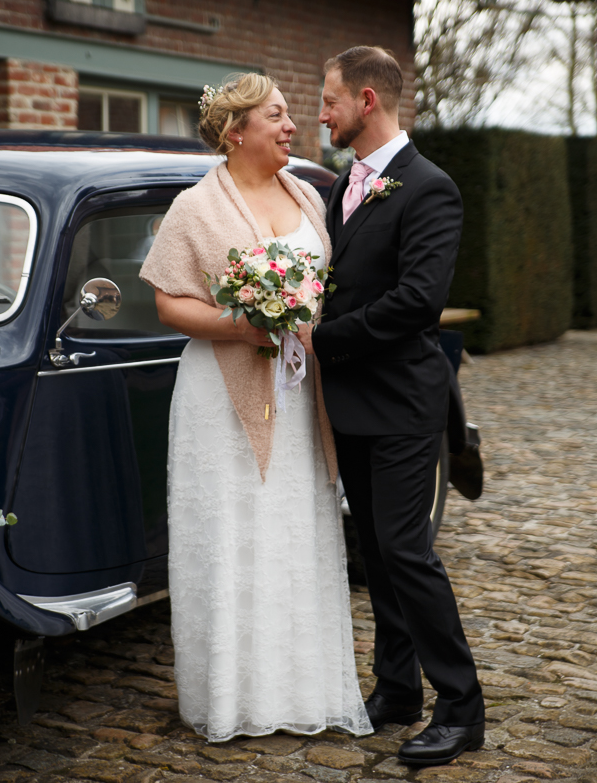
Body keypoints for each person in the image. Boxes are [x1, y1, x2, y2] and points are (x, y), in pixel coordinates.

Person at [139, 73, 372, 743]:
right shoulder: (196, 206)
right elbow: (167, 302)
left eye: (292, 114)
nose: (292, 126)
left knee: (295, 527)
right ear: (237, 130)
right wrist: (242, 326)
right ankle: (234, 698)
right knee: (233, 532)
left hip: (300, 397)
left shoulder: (309, 193)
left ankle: (301, 689)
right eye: (277, 115)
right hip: (222, 395)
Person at [296, 47, 485, 767]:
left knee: (407, 551)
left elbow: (418, 302)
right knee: (374, 553)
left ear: (367, 100)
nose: (322, 112)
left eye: (330, 99)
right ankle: (397, 690)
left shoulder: (429, 187)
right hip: (350, 404)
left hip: (406, 402)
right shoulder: (344, 184)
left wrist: (324, 339)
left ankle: (462, 709)